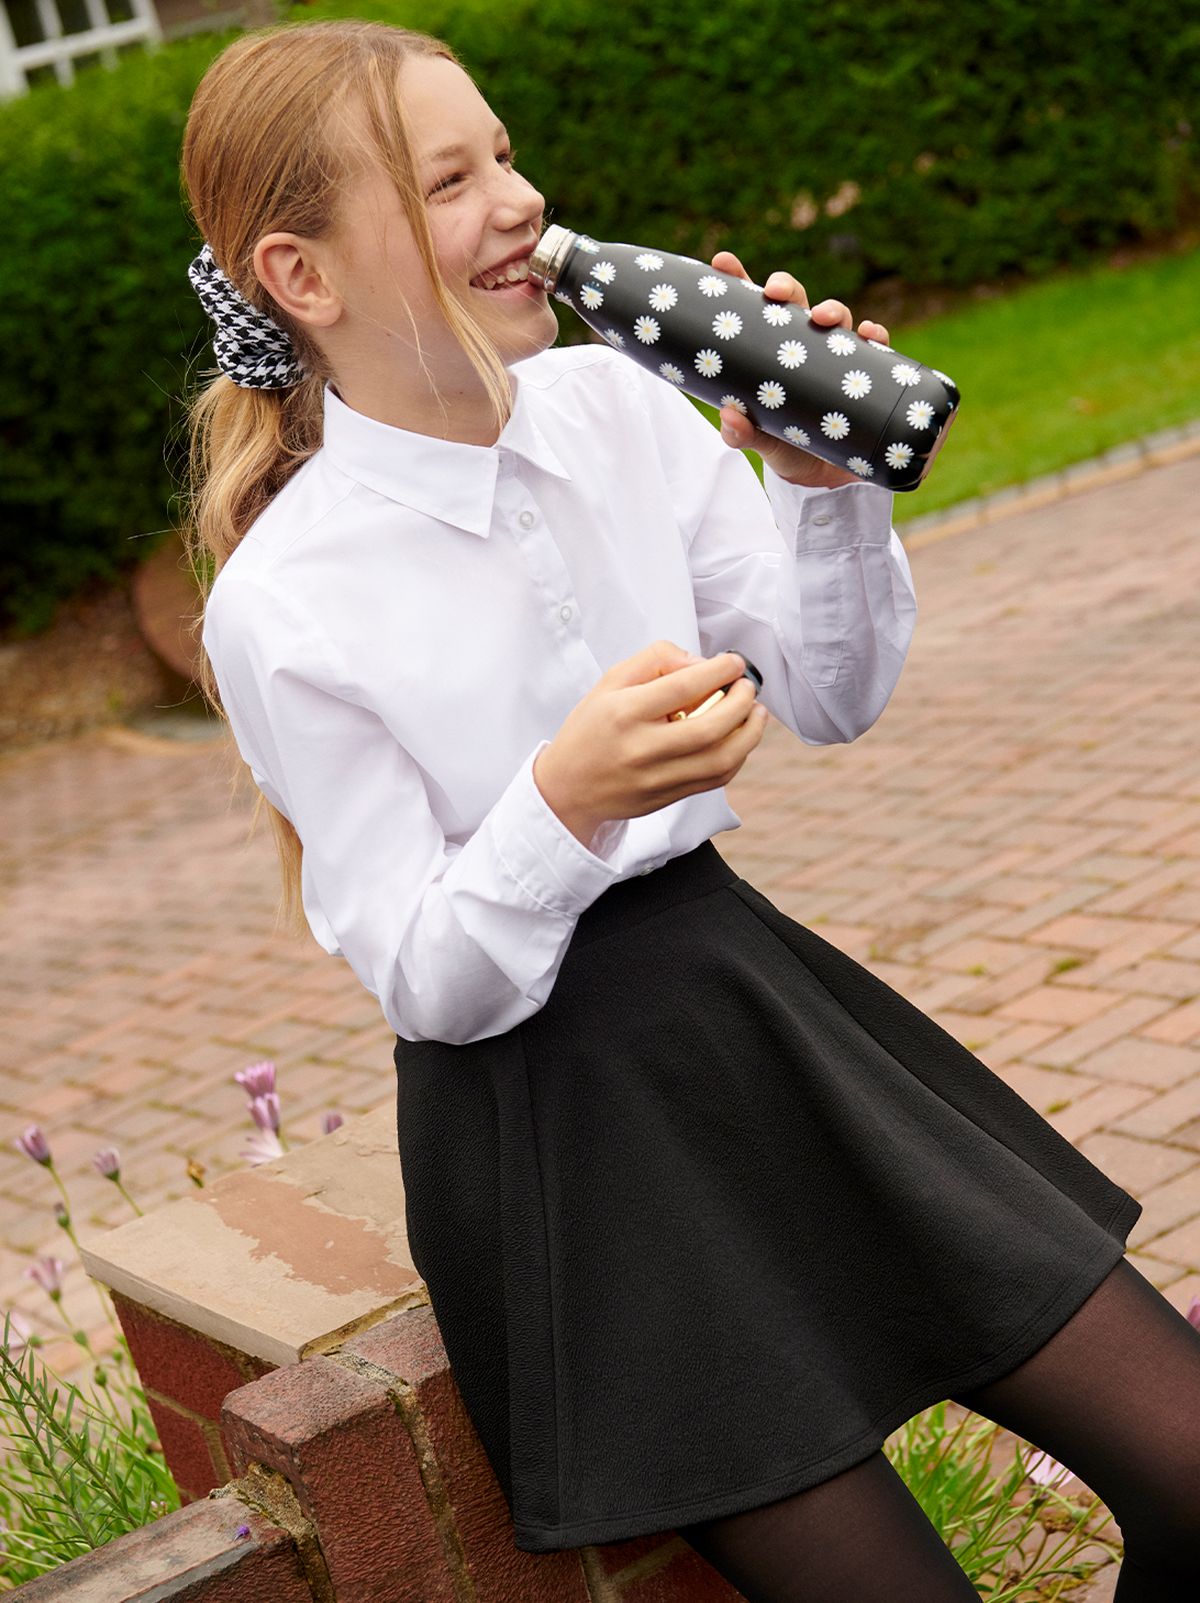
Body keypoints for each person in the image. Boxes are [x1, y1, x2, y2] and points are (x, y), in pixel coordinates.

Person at [180, 19, 1200, 1602]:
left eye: (504, 154)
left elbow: (830, 694)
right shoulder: (282, 601)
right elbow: (427, 982)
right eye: (449, 180)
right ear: (301, 278)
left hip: (751, 1002)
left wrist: (814, 482)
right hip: (564, 1127)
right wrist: (559, 805)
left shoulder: (621, 405)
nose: (514, 200)